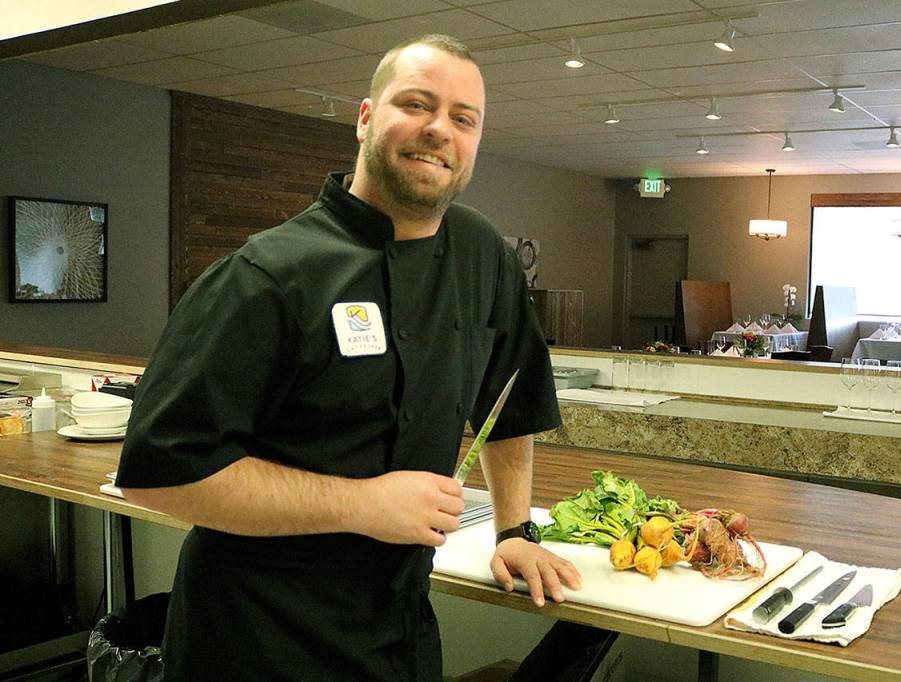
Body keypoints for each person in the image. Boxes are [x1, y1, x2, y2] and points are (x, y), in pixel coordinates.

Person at [116, 34, 581, 681]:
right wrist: (362, 505)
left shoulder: (484, 255)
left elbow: (512, 399)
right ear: (366, 118)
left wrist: (514, 531)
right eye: (416, 104)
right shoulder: (268, 274)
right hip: (258, 635)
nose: (439, 129)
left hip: (398, 632)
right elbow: (159, 470)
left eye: (463, 118)